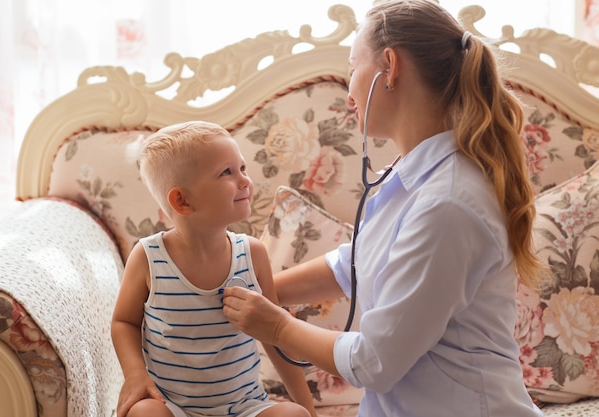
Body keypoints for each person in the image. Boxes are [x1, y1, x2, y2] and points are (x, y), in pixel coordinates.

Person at [222, 1, 547, 416]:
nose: (348, 86)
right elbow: (355, 264)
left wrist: (276, 325)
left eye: (354, 65)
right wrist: (258, 288)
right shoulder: (416, 179)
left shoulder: (447, 204)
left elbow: (374, 362)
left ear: (389, 67)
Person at [111, 121, 317, 417]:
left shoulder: (252, 254)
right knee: (144, 413)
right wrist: (135, 374)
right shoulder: (148, 256)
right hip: (173, 408)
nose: (245, 180)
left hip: (245, 408)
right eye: (227, 173)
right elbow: (123, 322)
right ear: (182, 201)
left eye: (242, 168)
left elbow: (276, 335)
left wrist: (307, 407)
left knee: (294, 416)